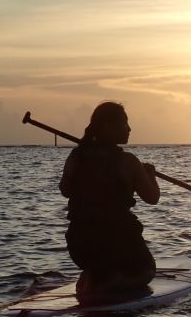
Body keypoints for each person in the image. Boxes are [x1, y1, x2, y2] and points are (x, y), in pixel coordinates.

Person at [59, 102, 160, 306]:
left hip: (80, 244)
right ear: (107, 127)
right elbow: (152, 198)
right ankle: (112, 280)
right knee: (148, 271)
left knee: (100, 259)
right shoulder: (128, 162)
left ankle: (96, 275)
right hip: (116, 243)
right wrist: (149, 174)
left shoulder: (76, 157)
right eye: (124, 124)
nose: (129, 129)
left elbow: (65, 190)